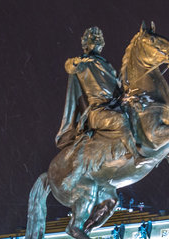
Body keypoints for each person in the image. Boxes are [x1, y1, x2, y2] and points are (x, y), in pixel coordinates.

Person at [55, 26, 139, 160]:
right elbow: (69, 66)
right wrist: (77, 60)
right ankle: (136, 155)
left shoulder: (106, 64)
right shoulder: (83, 64)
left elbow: (116, 89)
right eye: (93, 40)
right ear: (86, 44)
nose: (97, 42)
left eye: (99, 39)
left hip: (113, 106)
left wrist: (123, 97)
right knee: (120, 120)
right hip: (97, 111)